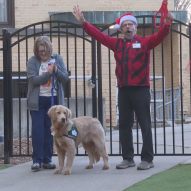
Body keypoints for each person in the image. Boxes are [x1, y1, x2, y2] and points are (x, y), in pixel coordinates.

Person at [72, 5, 174, 170]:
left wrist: (167, 24)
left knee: (145, 125)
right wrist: (84, 22)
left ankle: (147, 159)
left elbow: (160, 36)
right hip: (124, 90)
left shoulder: (144, 42)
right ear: (121, 29)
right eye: (125, 25)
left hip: (141, 90)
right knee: (125, 125)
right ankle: (128, 158)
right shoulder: (116, 44)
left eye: (130, 24)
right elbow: (98, 35)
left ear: (135, 27)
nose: (128, 27)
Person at [27, 36, 69, 171]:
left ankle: (47, 159)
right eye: (40, 51)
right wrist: (48, 74)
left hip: (54, 102)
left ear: (50, 49)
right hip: (38, 101)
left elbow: (65, 78)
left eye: (45, 51)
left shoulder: (57, 59)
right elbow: (33, 80)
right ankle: (37, 161)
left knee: (50, 131)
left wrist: (56, 71)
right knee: (38, 130)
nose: (43, 54)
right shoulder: (33, 61)